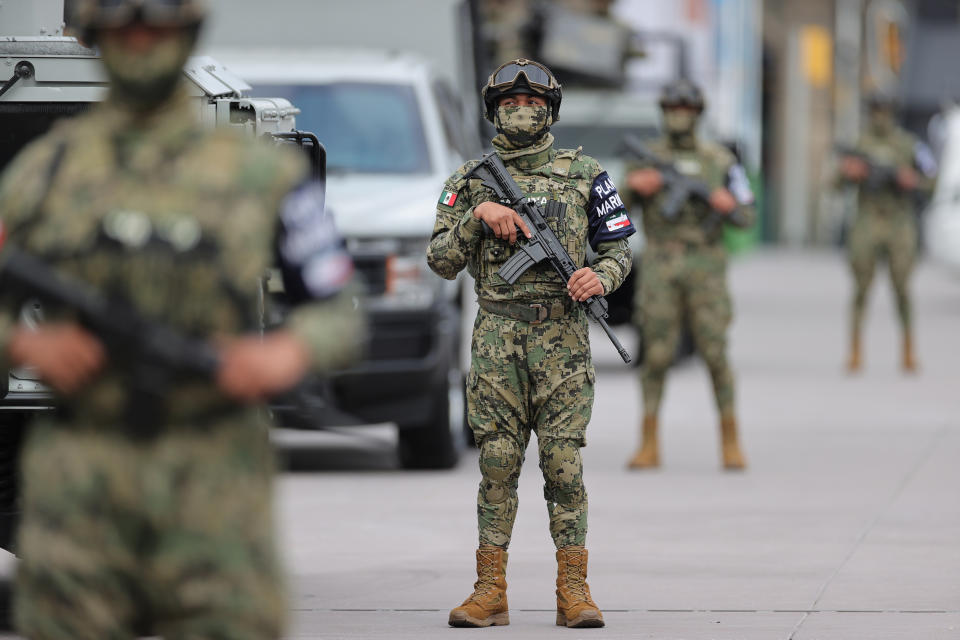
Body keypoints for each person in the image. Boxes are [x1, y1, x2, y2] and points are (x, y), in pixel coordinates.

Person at [0, 1, 362, 638]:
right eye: (125, 27)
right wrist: (26, 344)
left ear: (189, 30)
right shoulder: (42, 173)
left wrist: (282, 354)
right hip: (81, 482)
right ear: (96, 36)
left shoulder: (261, 172)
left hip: (214, 482)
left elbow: (336, 309)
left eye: (159, 25)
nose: (143, 42)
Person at [428, 58, 635, 629]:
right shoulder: (470, 180)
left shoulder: (586, 173)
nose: (522, 112)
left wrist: (601, 277)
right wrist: (478, 215)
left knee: (563, 464)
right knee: (497, 462)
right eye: (511, 105)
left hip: (563, 342)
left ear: (551, 112)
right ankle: (488, 590)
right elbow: (441, 262)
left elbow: (619, 251)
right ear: (494, 111)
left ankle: (575, 589)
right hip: (497, 340)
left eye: (534, 105)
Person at [622, 79, 755, 471]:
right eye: (672, 108)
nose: (679, 116)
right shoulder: (647, 159)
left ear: (698, 114)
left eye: (686, 109)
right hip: (661, 264)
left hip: (706, 266)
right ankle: (648, 440)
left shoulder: (721, 161)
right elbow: (611, 207)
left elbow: (746, 214)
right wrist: (633, 187)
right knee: (657, 355)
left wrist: (727, 204)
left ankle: (730, 439)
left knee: (715, 353)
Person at [837, 92, 937, 373]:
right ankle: (855, 351)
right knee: (860, 290)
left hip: (899, 223)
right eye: (875, 109)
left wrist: (912, 180)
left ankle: (908, 350)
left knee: (903, 289)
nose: (880, 115)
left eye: (885, 109)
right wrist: (849, 172)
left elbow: (932, 179)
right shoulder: (858, 145)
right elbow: (833, 183)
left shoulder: (909, 145)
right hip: (867, 221)